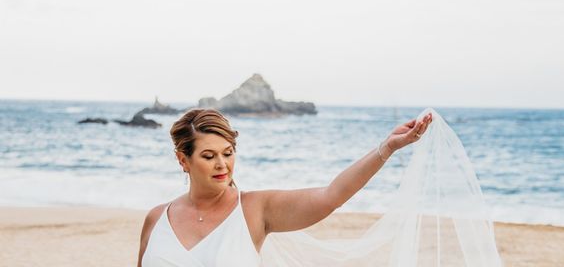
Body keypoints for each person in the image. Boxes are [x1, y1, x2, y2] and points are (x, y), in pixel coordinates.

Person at [137, 108, 432, 267]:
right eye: (208, 156)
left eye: (228, 153)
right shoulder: (156, 219)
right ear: (183, 160)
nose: (222, 165)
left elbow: (331, 196)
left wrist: (386, 148)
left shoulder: (255, 210)